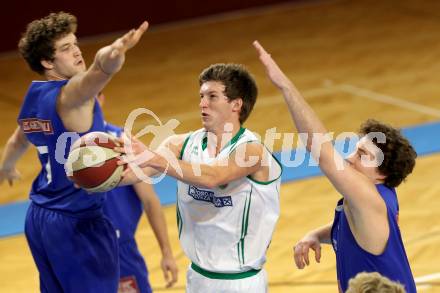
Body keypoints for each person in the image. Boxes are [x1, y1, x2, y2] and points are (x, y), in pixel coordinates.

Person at [253, 41, 417, 293]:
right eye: (355, 148)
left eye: (362, 155)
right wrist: (316, 235)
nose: (350, 158)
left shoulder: (369, 199)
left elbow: (323, 152)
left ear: (382, 173)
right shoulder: (369, 203)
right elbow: (351, 231)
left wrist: (285, 86)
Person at [0, 12, 148, 292]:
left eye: (75, 43)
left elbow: (18, 141)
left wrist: (6, 167)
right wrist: (117, 50)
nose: (77, 51)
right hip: (77, 222)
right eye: (65, 48)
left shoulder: (34, 96)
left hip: (39, 218)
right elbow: (101, 69)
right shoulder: (72, 95)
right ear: (47, 62)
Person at [117, 63, 283, 292]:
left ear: (236, 104)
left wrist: (154, 158)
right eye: (202, 96)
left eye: (212, 96)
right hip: (197, 278)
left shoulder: (252, 151)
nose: (202, 103)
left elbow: (213, 176)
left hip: (242, 283)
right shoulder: (179, 144)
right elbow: (133, 175)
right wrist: (95, 171)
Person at [99, 93, 178, 292]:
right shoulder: (67, 147)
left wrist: (166, 253)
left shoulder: (122, 142)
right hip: (81, 251)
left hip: (121, 252)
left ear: (102, 97)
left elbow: (150, 201)